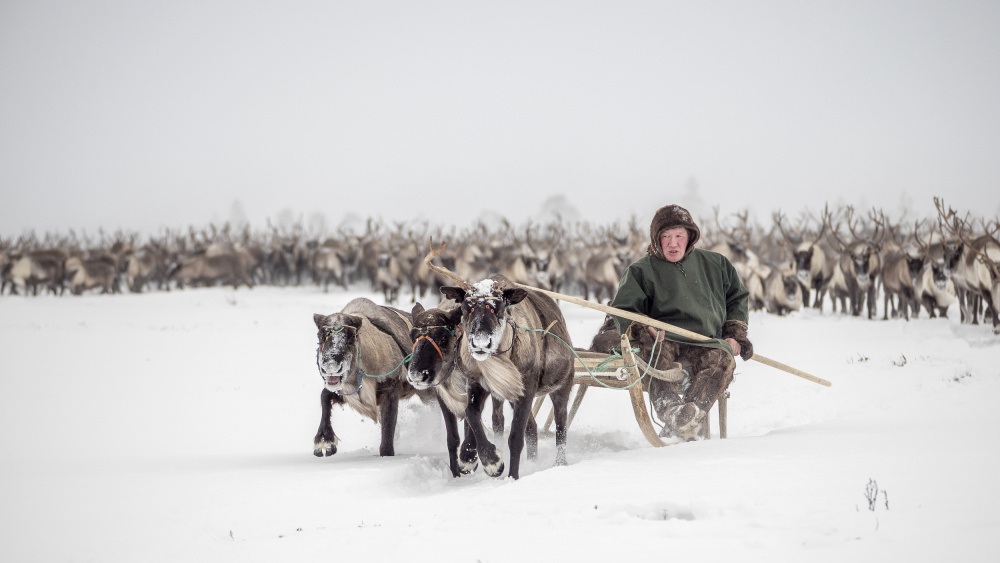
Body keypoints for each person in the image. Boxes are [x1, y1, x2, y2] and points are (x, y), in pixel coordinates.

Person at [608, 204, 753, 441]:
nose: (672, 243)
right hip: (663, 340)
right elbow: (624, 310)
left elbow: (736, 298)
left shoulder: (716, 264)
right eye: (666, 237)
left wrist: (734, 336)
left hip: (706, 341)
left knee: (722, 360)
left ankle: (691, 414)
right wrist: (644, 327)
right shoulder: (640, 271)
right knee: (657, 361)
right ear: (657, 239)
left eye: (678, 236)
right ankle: (673, 413)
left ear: (690, 237)